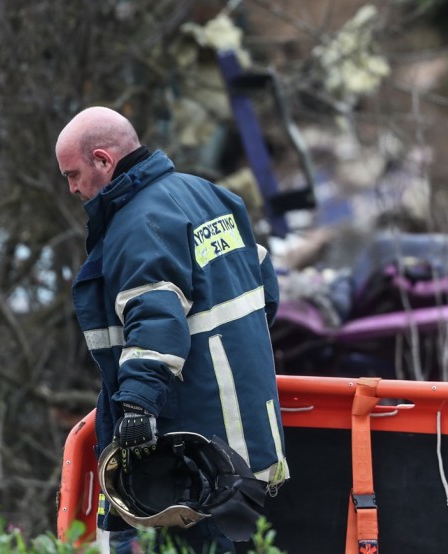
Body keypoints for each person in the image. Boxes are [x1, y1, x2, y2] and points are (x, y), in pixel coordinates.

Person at [56, 107, 289, 553]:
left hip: (194, 459)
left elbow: (156, 321)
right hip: (252, 442)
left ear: (103, 160)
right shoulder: (211, 196)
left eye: (73, 174)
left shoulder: (138, 225)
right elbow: (266, 295)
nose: (72, 188)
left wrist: (138, 407)